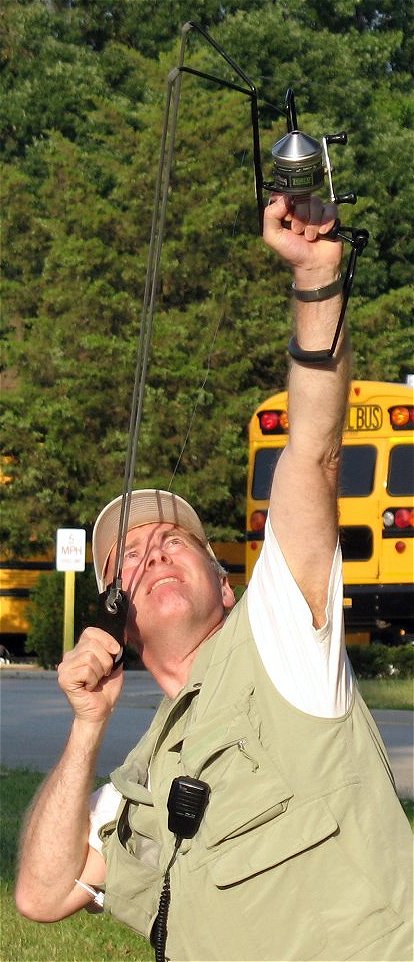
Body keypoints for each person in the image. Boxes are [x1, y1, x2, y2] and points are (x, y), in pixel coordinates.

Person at [15, 194, 413, 962]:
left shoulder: (283, 642)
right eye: (128, 556)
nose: (155, 551)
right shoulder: (133, 788)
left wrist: (317, 279)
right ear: (117, 618)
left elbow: (315, 450)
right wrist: (87, 726)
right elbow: (38, 891)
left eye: (174, 539)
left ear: (226, 584)